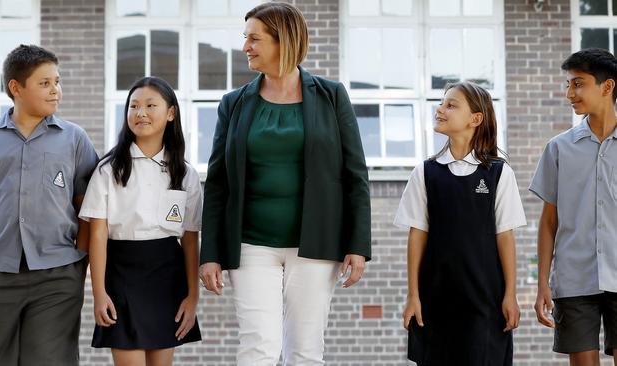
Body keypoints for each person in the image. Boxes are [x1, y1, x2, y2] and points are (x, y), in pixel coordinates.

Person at [199, 2, 371, 365]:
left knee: (305, 350)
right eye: (245, 37)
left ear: (284, 41)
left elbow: (355, 175)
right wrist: (210, 252)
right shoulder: (233, 104)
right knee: (258, 345)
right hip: (249, 243)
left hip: (316, 242)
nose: (246, 46)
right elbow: (217, 184)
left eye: (255, 38)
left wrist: (357, 244)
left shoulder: (332, 96)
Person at [0, 44, 98, 365]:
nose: (56, 91)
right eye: (45, 83)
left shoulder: (75, 139)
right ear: (16, 88)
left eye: (58, 81)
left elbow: (90, 211)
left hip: (56, 277)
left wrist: (77, 263)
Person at [396, 81, 525, 365]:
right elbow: (417, 236)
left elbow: (505, 237)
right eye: (442, 103)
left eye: (451, 105)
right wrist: (413, 295)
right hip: (434, 300)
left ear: (475, 119)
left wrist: (510, 295)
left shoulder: (498, 174)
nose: (440, 109)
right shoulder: (425, 173)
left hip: (486, 301)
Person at [79, 76, 202, 365]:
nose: (140, 113)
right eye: (133, 106)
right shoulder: (108, 170)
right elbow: (97, 235)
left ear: (171, 113)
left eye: (150, 105)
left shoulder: (185, 173)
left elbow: (190, 238)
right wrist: (99, 293)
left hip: (167, 277)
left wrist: (192, 297)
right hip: (121, 275)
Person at [531, 48, 617, 366]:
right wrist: (543, 282)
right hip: (574, 279)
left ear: (607, 86)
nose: (570, 93)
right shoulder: (558, 148)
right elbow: (549, 222)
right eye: (568, 84)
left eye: (578, 83)